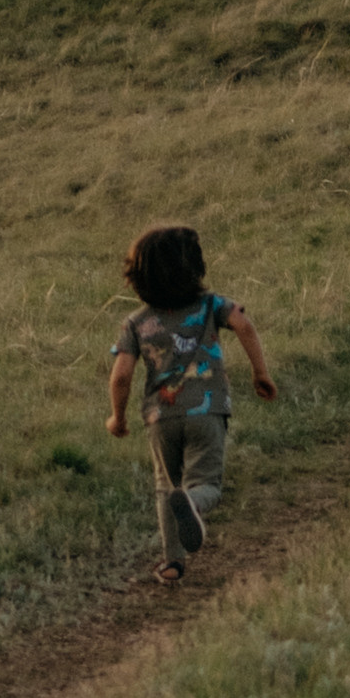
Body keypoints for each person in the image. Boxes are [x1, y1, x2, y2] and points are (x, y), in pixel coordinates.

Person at [107, 222, 278, 584]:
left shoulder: (136, 322)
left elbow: (121, 375)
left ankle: (173, 562)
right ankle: (195, 503)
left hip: (161, 417)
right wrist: (260, 373)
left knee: (165, 487)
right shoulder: (212, 305)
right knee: (206, 484)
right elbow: (244, 325)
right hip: (207, 410)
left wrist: (117, 417)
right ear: (195, 268)